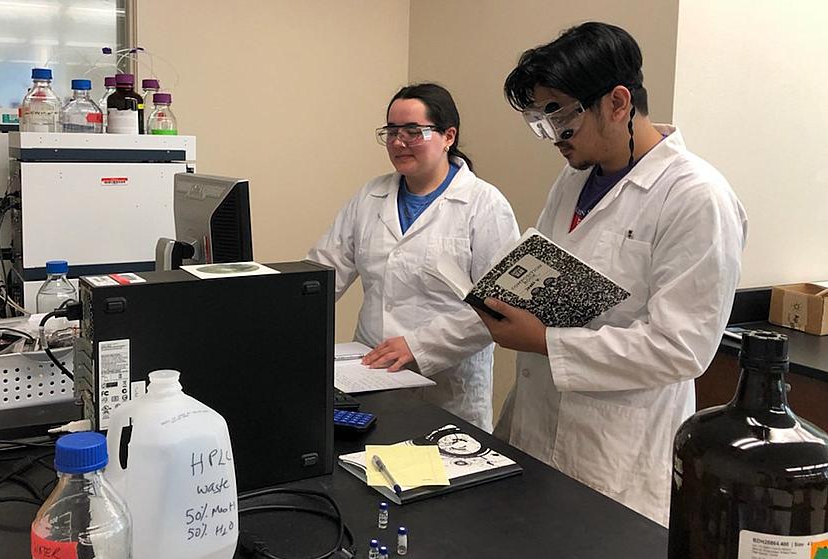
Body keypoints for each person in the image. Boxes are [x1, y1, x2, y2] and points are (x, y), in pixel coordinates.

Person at [482, 22, 748, 525]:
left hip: (616, 452)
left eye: (561, 118)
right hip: (536, 426)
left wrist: (544, 340)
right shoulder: (574, 179)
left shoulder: (695, 197)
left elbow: (680, 348)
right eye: (542, 120)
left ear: (618, 102)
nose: (553, 138)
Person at [308, 83, 519, 431]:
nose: (398, 142)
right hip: (370, 373)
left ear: (448, 136)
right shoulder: (371, 196)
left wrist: (419, 345)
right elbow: (323, 269)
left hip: (447, 388)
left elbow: (497, 305)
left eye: (413, 131)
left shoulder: (484, 204)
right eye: (391, 131)